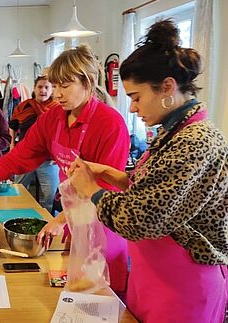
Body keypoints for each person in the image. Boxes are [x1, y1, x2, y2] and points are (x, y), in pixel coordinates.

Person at [68, 20, 227, 323]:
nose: (132, 108)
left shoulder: (196, 141)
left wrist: (92, 190)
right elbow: (164, 193)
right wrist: (117, 176)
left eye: (136, 97)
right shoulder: (174, 132)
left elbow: (141, 220)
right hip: (153, 275)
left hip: (184, 284)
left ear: (167, 87)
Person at [0, 45, 131, 295]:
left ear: (88, 82)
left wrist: (60, 219)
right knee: (76, 292)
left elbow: (106, 189)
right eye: (55, 86)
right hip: (74, 221)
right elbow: (20, 155)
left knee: (104, 296)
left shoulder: (110, 124)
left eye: (65, 86)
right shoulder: (54, 118)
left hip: (105, 224)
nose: (57, 94)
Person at [9, 74, 62, 213]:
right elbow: (13, 126)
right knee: (18, 190)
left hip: (48, 159)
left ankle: (46, 223)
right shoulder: (24, 106)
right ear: (34, 88)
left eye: (46, 87)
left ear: (52, 90)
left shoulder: (59, 109)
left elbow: (64, 132)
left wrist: (59, 153)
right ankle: (19, 218)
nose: (42, 90)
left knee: (50, 196)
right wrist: (12, 145)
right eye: (40, 87)